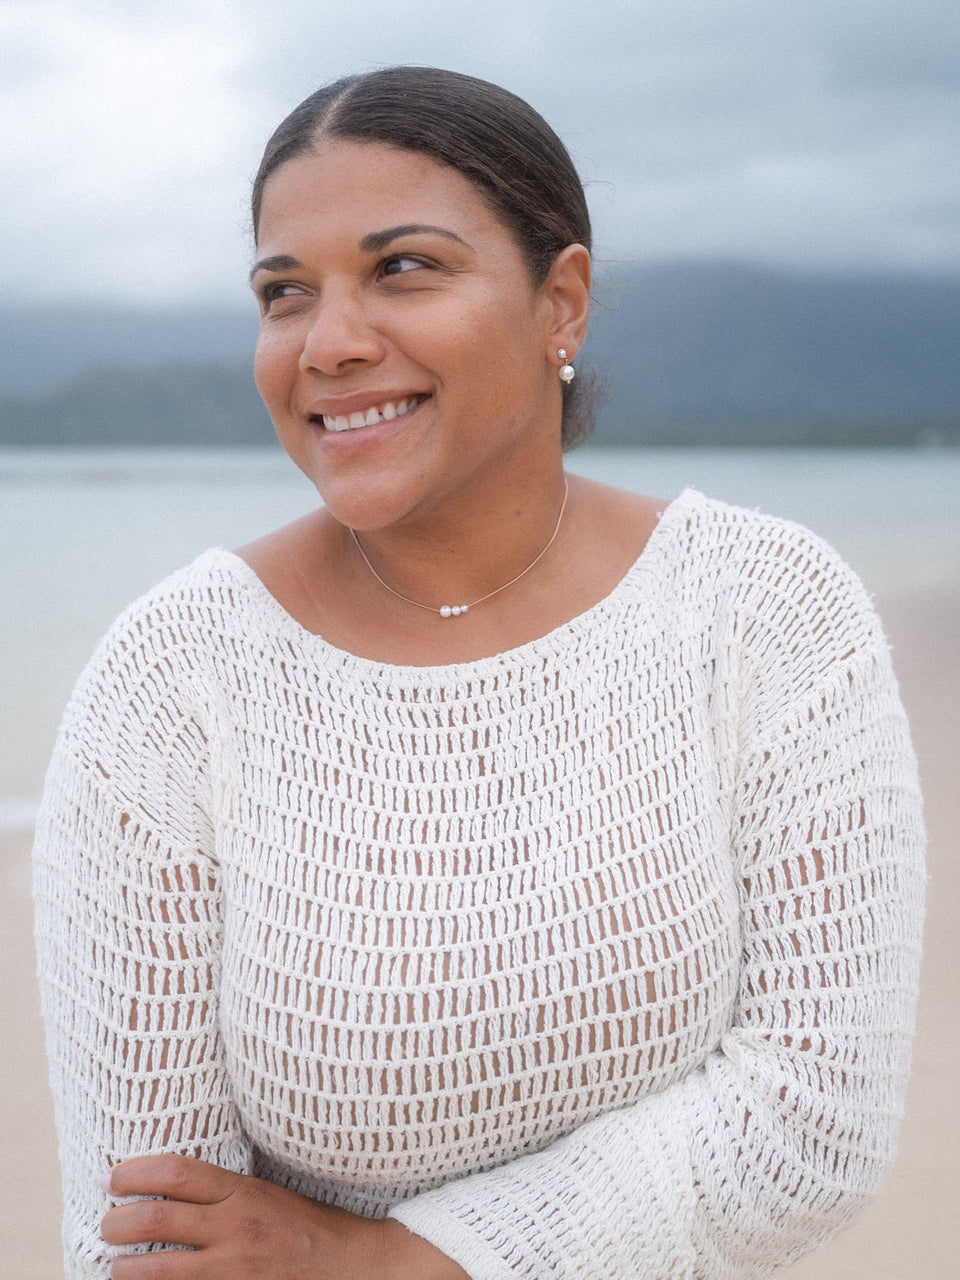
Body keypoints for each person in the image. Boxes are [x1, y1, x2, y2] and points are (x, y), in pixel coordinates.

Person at [33, 66, 925, 1280]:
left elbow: (815, 1117)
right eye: (283, 292)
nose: (331, 343)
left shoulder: (763, 608)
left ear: (562, 302)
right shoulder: (171, 681)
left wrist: (389, 1258)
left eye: (403, 267)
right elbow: (148, 1235)